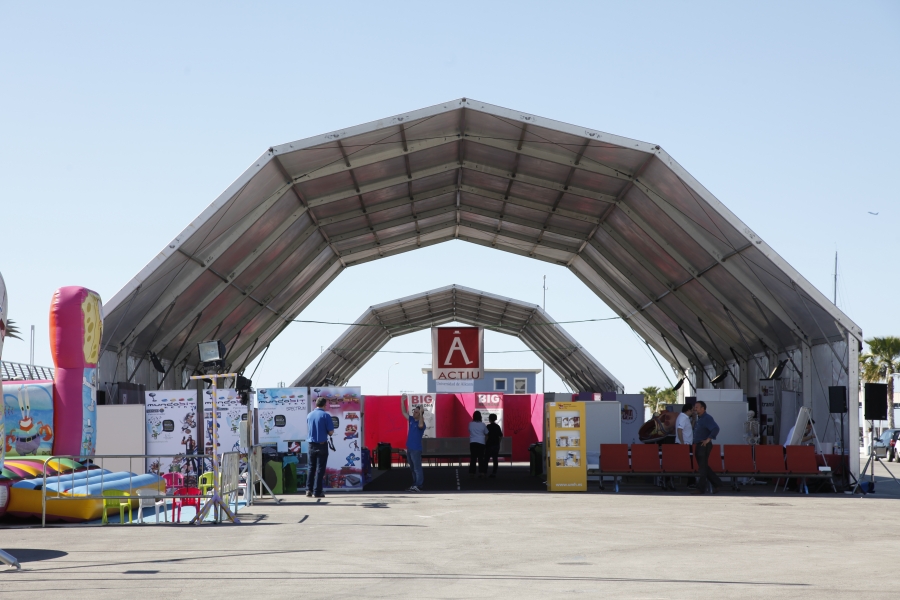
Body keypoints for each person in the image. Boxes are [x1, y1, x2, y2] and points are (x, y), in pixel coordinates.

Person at [691, 400, 722, 495]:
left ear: (703, 408)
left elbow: (715, 428)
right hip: (699, 444)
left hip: (703, 445)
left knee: (702, 468)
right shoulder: (699, 419)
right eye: (695, 407)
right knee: (703, 466)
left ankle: (700, 489)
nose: (695, 409)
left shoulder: (707, 418)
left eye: (697, 407)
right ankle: (718, 484)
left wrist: (708, 439)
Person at [306, 397, 334, 498]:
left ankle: (308, 490)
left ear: (316, 404)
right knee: (320, 469)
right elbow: (330, 431)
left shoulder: (309, 415)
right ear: (324, 405)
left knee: (311, 467)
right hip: (322, 445)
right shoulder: (326, 415)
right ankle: (317, 491)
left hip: (311, 445)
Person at [400, 395, 426, 492]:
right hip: (409, 448)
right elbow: (403, 412)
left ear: (420, 414)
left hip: (416, 449)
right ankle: (414, 484)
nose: (414, 413)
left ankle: (419, 485)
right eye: (414, 411)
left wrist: (421, 414)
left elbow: (420, 425)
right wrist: (402, 401)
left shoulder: (422, 423)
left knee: (417, 468)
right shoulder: (411, 420)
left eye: (416, 412)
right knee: (412, 468)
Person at [469, 411, 488, 479]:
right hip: (481, 443)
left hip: (473, 442)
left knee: (473, 458)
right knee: (481, 459)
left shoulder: (470, 424)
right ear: (480, 416)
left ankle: (472, 473)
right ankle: (482, 473)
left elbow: (470, 431)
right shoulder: (483, 424)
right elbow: (486, 433)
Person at [484, 414, 503, 478]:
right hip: (496, 445)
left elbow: (486, 435)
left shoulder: (488, 426)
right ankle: (494, 473)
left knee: (486, 459)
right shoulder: (497, 426)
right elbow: (500, 435)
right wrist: (498, 443)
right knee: (495, 459)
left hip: (489, 445)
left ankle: (485, 473)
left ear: (490, 419)